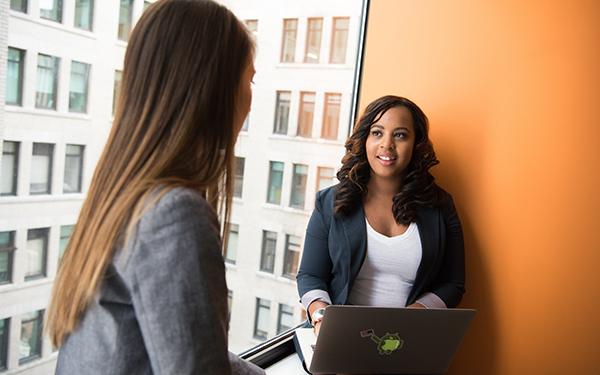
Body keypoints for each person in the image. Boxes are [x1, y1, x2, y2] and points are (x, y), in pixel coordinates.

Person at [47, 1, 263, 374]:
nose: (250, 99)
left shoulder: (125, 195)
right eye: (250, 78)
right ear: (214, 88)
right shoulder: (175, 214)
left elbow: (179, 344)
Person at [296, 95, 465, 333]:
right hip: (340, 335)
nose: (387, 144)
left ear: (416, 144)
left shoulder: (440, 206)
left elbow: (453, 284)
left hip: (407, 339)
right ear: (365, 139)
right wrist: (322, 316)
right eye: (377, 132)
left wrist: (413, 316)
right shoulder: (329, 202)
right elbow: (310, 275)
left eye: (400, 134)